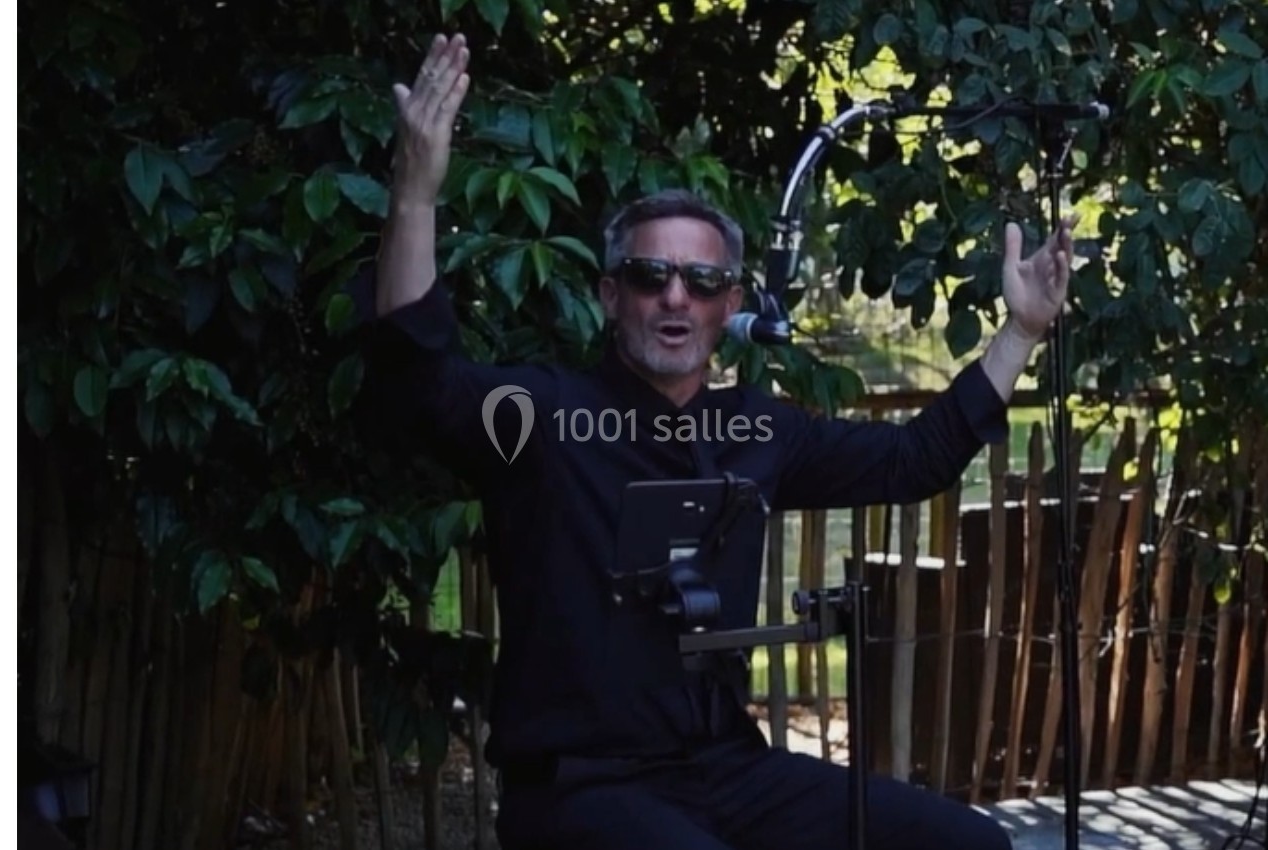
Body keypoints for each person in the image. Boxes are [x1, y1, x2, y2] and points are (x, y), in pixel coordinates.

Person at [356, 32, 1074, 850]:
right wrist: (414, 195)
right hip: (579, 788)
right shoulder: (543, 414)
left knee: (967, 845)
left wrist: (1019, 332)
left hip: (727, 770)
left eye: (700, 283)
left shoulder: (760, 429)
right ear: (608, 296)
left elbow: (915, 460)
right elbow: (417, 381)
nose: (675, 298)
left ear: (728, 302)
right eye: (648, 276)